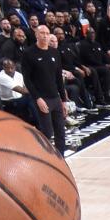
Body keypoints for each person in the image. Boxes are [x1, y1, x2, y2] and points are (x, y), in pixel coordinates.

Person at [24, 23, 69, 153]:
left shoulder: (54, 52)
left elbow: (59, 78)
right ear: (36, 35)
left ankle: (61, 159)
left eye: (47, 33)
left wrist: (64, 100)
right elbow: (27, 80)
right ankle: (46, 158)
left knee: (61, 131)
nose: (45, 36)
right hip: (42, 98)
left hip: (55, 97)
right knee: (47, 133)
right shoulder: (29, 53)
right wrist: (37, 98)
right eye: (42, 33)